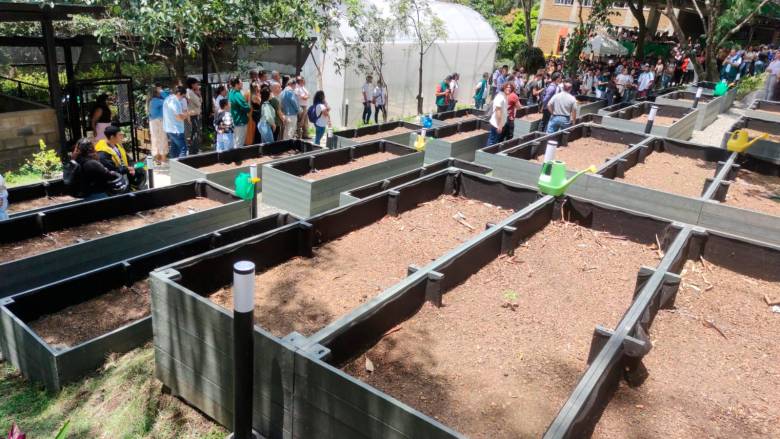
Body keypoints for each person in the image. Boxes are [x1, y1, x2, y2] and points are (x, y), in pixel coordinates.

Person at [163, 85, 189, 158]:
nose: (183, 98)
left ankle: (173, 166)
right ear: (178, 93)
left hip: (169, 128)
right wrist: (187, 114)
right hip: (176, 130)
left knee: (174, 149)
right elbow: (179, 117)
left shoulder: (167, 99)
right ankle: (182, 167)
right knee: (183, 149)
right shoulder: (175, 101)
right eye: (183, 96)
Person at [147, 84, 168, 164]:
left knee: (155, 139)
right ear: (156, 92)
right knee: (162, 138)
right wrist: (162, 92)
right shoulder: (157, 101)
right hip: (159, 121)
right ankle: (163, 159)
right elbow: (168, 99)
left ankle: (157, 159)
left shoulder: (151, 101)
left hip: (153, 121)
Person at [228, 77, 250, 148]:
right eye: (240, 83)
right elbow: (246, 107)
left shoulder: (230, 92)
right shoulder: (237, 94)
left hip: (234, 119)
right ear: (237, 84)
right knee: (239, 142)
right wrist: (249, 107)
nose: (242, 84)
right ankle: (237, 158)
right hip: (240, 120)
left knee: (236, 141)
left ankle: (234, 157)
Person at [184, 77, 202, 155]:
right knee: (194, 133)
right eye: (196, 83)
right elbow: (199, 103)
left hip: (194, 114)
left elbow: (200, 102)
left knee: (195, 132)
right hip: (193, 115)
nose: (197, 85)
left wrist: (198, 94)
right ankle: (193, 150)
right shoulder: (190, 92)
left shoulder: (191, 92)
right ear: (192, 84)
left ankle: (194, 149)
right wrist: (198, 94)